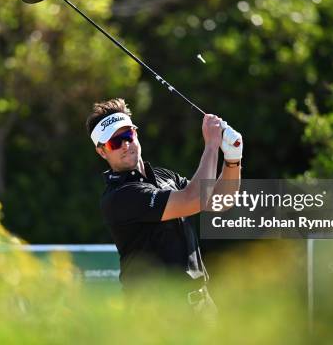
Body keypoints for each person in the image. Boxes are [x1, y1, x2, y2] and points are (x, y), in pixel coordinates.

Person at [85, 98, 242, 311]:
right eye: (115, 143)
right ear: (102, 151)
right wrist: (212, 145)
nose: (125, 145)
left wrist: (233, 159)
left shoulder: (164, 176)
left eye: (127, 135)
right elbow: (193, 199)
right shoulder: (119, 196)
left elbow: (221, 201)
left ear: (135, 134)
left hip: (201, 305)